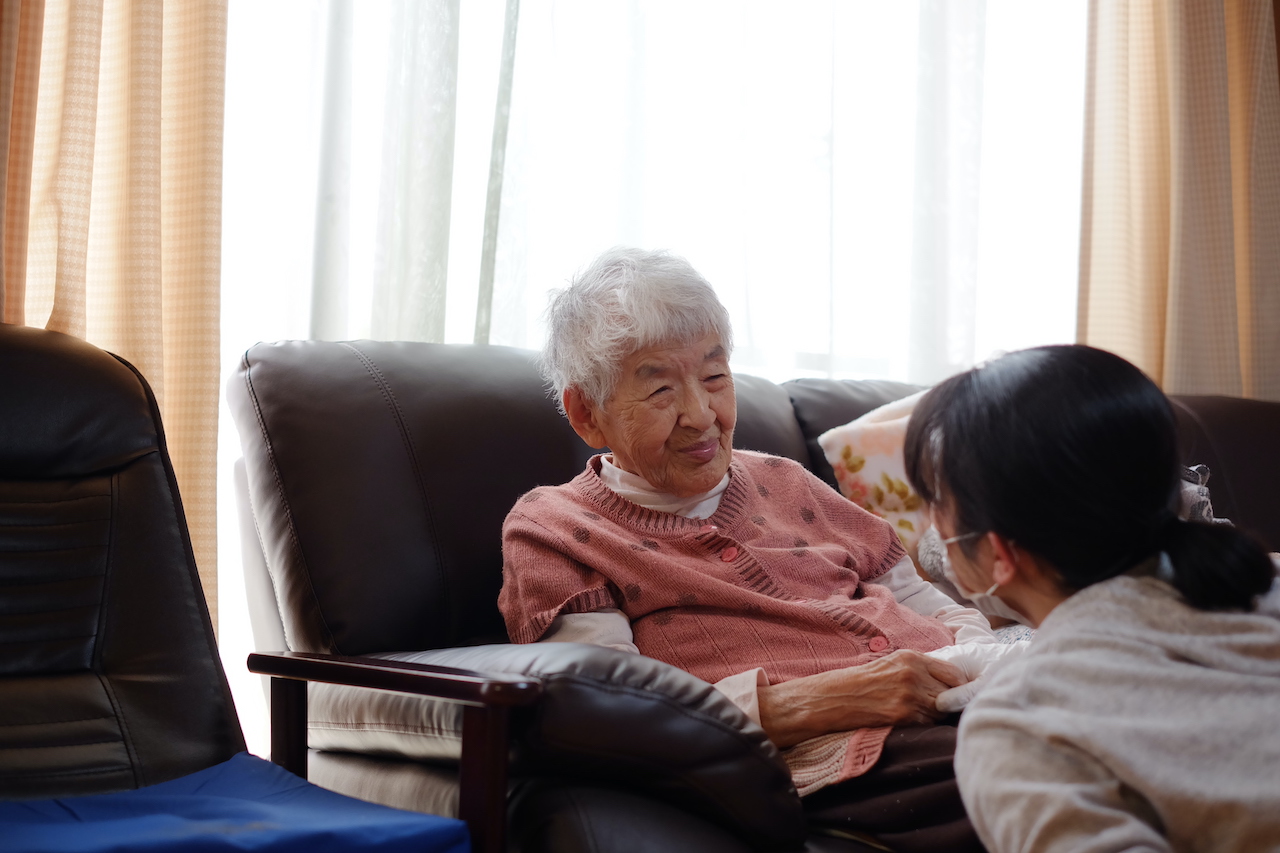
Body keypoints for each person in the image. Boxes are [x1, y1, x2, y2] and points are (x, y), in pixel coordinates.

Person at [498, 247, 1009, 852]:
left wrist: (989, 661)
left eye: (715, 378)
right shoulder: (555, 528)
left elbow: (926, 603)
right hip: (844, 757)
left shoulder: (788, 479)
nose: (701, 414)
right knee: (1047, 764)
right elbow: (617, 717)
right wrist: (827, 701)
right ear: (588, 413)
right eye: (661, 389)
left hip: (960, 703)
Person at [902, 344, 1280, 853]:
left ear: (1000, 554)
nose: (929, 526)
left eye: (935, 504)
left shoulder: (1018, 728)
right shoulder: (1260, 588)